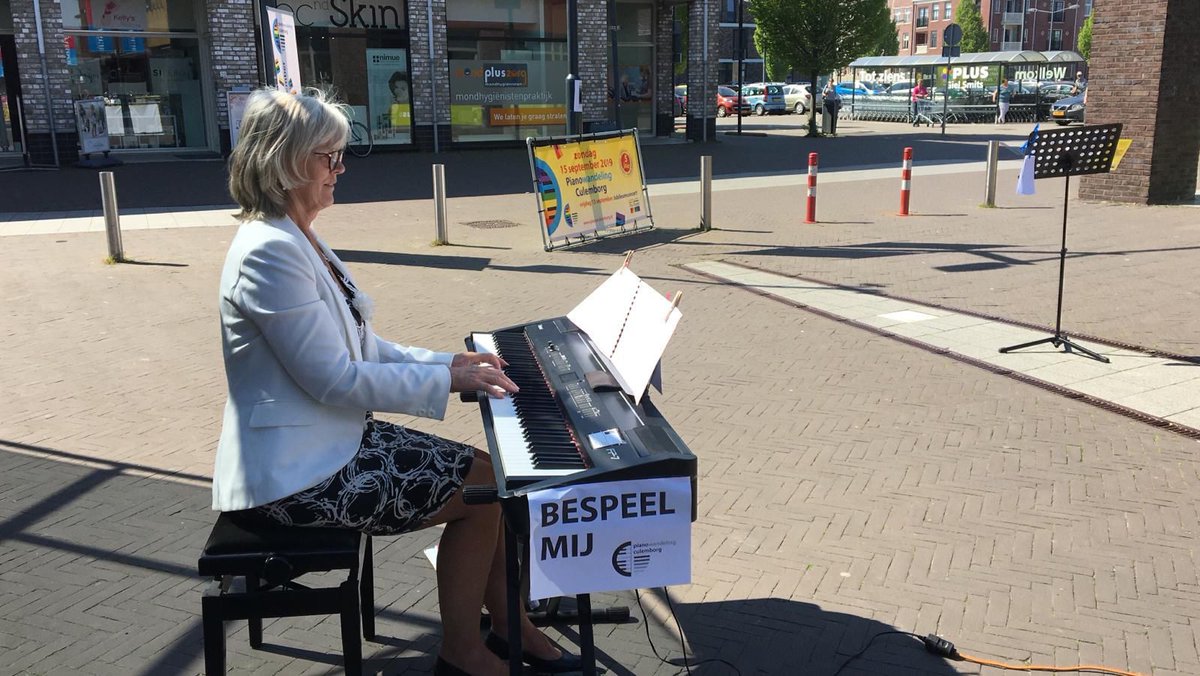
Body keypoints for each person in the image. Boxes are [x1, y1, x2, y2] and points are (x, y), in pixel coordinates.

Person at [214, 88, 581, 676]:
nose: (339, 170)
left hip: (327, 445)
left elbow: (364, 348)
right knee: (483, 493)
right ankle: (464, 650)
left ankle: (508, 620)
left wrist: (450, 367)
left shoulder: (299, 235)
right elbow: (334, 380)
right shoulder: (269, 252)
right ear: (285, 162)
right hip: (293, 475)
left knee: (489, 475)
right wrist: (446, 383)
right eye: (327, 157)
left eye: (340, 156)